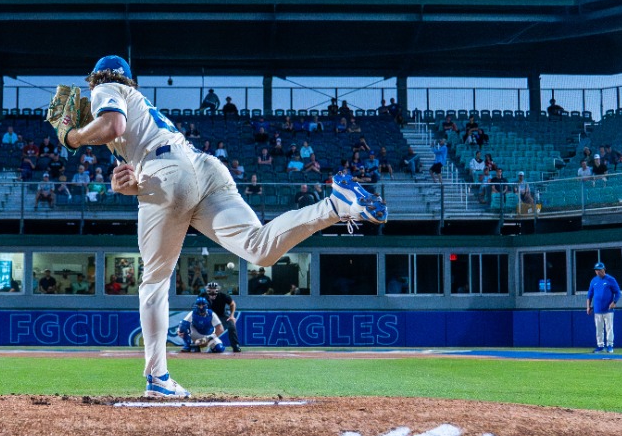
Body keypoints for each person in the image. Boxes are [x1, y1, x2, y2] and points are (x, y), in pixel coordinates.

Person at [52, 55, 382, 398]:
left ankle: (158, 377)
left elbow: (113, 126)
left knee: (154, 281)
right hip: (202, 167)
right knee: (259, 248)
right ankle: (337, 205)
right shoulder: (142, 108)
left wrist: (72, 138)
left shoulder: (108, 88)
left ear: (97, 80)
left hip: (168, 172)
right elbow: (135, 153)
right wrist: (128, 186)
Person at [587, 260, 622, 354]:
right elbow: (589, 295)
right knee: (599, 329)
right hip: (597, 309)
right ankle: (600, 346)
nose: (597, 271)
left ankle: (610, 345)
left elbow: (618, 292)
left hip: (608, 309)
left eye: (599, 269)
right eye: (596, 270)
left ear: (604, 269)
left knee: (609, 328)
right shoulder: (594, 280)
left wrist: (614, 302)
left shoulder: (610, 279)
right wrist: (588, 306)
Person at [204, 280, 241, 352]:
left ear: (217, 290)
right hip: (208, 316)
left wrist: (232, 315)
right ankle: (195, 344)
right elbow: (198, 306)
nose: (212, 293)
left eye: (214, 291)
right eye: (210, 291)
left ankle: (236, 345)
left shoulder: (223, 296)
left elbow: (232, 304)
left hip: (221, 315)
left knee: (231, 324)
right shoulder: (203, 296)